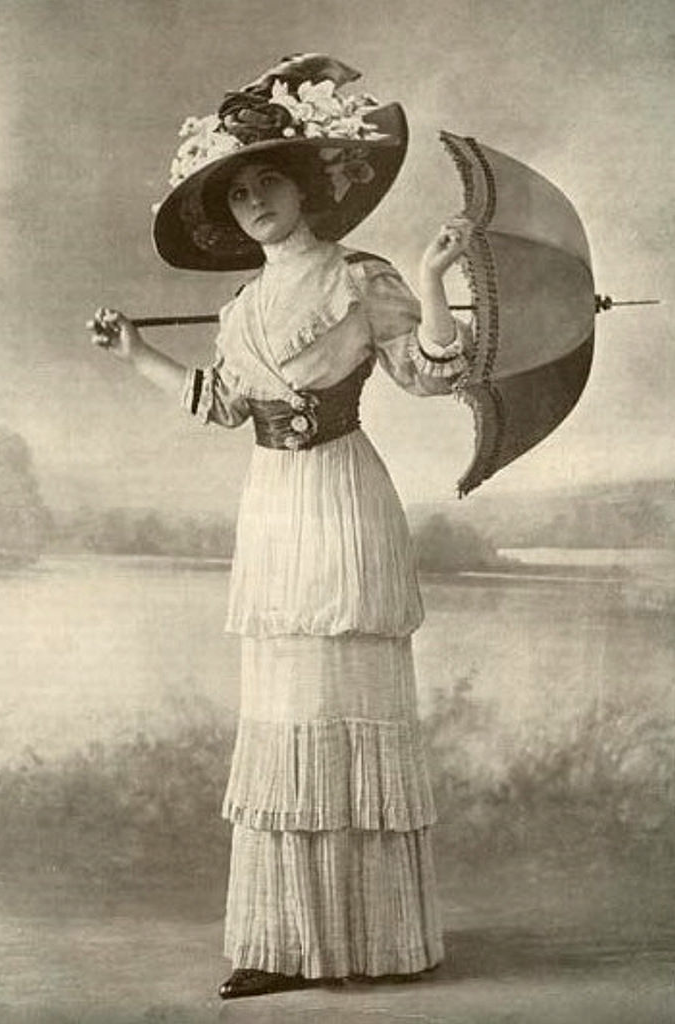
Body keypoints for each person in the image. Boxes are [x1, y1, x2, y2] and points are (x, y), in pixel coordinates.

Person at [88, 53, 473, 1001]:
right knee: (285, 712)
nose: (256, 201)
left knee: (347, 702)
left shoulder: (361, 277)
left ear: (305, 188)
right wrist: (136, 353)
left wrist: (430, 280)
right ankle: (280, 942)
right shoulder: (243, 309)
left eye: (269, 181)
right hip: (275, 507)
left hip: (342, 498)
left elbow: (431, 374)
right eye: (239, 192)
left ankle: (379, 938)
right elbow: (222, 405)